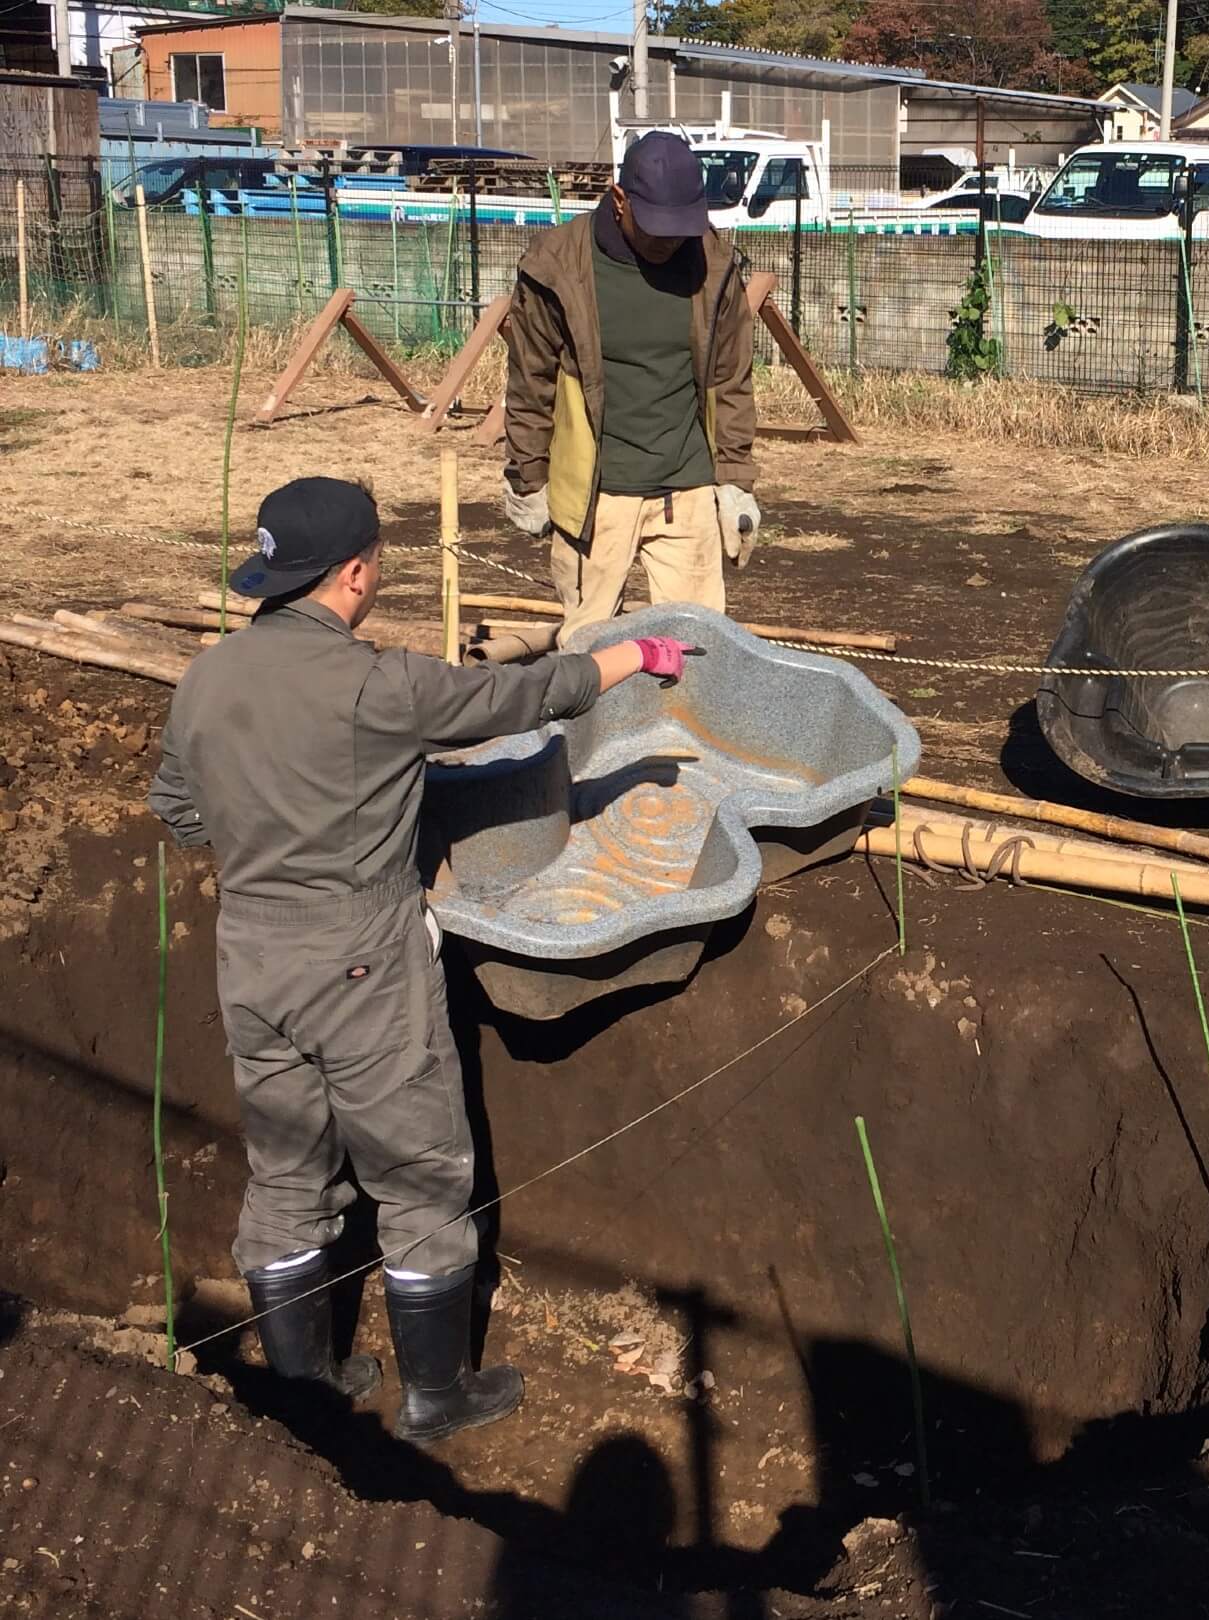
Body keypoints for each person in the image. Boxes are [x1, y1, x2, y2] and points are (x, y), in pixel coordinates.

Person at [148, 477, 691, 1445]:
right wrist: (631, 656)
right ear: (354, 574)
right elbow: (516, 695)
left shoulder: (205, 681)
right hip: (359, 959)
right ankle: (437, 1396)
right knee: (420, 1167)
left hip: (251, 959)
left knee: (284, 1168)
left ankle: (304, 1386)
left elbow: (180, 810)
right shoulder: (375, 686)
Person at [502, 130, 761, 650]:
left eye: (681, 228)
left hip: (686, 489)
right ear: (619, 200)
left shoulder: (712, 266)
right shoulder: (558, 267)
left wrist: (734, 478)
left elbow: (731, 379)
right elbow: (531, 382)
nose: (671, 242)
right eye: (658, 228)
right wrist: (528, 477)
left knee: (698, 648)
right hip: (597, 495)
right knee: (589, 649)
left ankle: (680, 735)